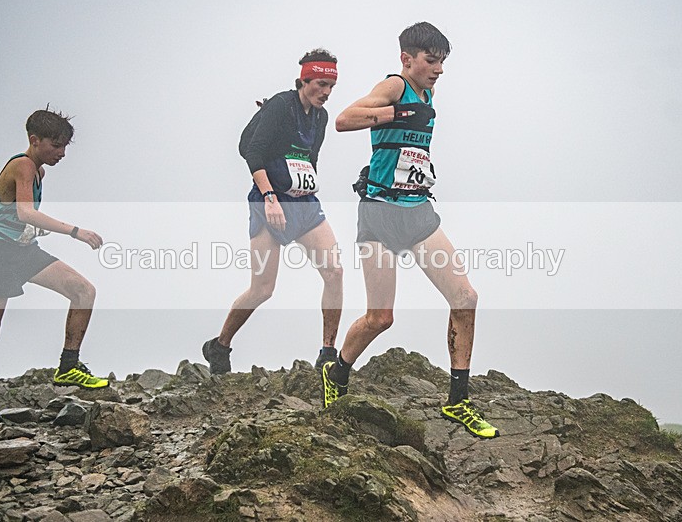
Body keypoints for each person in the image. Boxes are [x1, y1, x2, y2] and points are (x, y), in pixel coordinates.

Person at [322, 22, 499, 439]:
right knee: (381, 318)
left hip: (418, 211)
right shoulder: (394, 85)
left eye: (442, 62)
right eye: (431, 61)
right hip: (381, 213)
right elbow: (344, 120)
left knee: (465, 297)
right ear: (408, 58)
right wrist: (398, 112)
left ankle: (458, 400)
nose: (439, 69)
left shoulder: (429, 91)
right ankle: (337, 372)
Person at [0, 108, 110, 421]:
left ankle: (68, 366)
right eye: (56, 146)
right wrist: (75, 231)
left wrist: (30, 229)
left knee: (83, 291)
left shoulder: (39, 172)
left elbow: (18, 217)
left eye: (65, 146)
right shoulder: (23, 166)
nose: (62, 153)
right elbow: (26, 213)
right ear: (34, 140)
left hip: (23, 251)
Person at [202, 49, 343, 374]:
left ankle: (327, 352)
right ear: (305, 79)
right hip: (269, 200)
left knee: (334, 272)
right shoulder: (280, 105)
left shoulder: (320, 118)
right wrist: (269, 197)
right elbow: (252, 152)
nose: (326, 92)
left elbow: (311, 160)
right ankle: (219, 345)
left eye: (331, 87)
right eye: (321, 84)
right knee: (263, 289)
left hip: (303, 203)